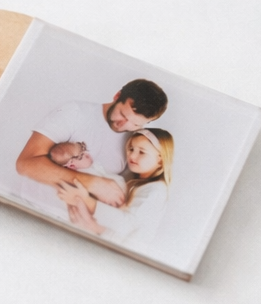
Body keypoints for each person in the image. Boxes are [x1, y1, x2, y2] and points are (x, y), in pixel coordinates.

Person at [15, 78, 168, 208]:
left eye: (136, 124)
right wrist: (92, 183)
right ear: (117, 96)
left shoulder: (134, 142)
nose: (124, 126)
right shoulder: (75, 112)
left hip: (72, 226)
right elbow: (25, 164)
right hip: (32, 208)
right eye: (122, 115)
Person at [56, 128, 174, 249]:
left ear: (160, 160)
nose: (132, 155)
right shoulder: (135, 182)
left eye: (142, 152)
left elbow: (127, 224)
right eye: (131, 149)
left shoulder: (156, 191)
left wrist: (86, 202)